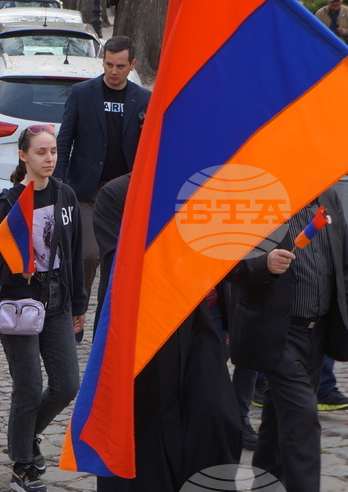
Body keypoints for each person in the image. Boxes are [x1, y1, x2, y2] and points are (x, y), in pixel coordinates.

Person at [93, 173, 240, 492]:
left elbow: (220, 254)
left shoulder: (196, 190)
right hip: (140, 329)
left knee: (216, 416)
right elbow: (119, 264)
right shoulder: (117, 194)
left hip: (197, 321)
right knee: (149, 433)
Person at [226, 193, 348, 492]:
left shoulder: (328, 198)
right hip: (277, 331)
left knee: (280, 418)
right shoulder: (257, 198)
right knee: (302, 417)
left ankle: (266, 484)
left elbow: (346, 264)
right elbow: (225, 263)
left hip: (317, 332)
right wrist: (263, 264)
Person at [0, 125, 86, 492]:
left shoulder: (65, 195)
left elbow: (75, 253)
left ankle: (27, 437)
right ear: (23, 155)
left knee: (67, 385)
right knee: (28, 388)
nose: (49, 158)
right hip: (21, 303)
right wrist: (16, 270)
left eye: (53, 151)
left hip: (58, 301)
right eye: (41, 152)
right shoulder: (8, 203)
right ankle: (22, 465)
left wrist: (79, 303)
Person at [53, 35, 151, 328]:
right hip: (87, 191)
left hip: (126, 194)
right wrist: (60, 186)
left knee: (121, 260)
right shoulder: (82, 94)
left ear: (132, 64)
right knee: (88, 255)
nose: (113, 71)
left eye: (120, 65)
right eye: (109, 64)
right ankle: (77, 313)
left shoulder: (143, 98)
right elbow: (64, 141)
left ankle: (111, 322)